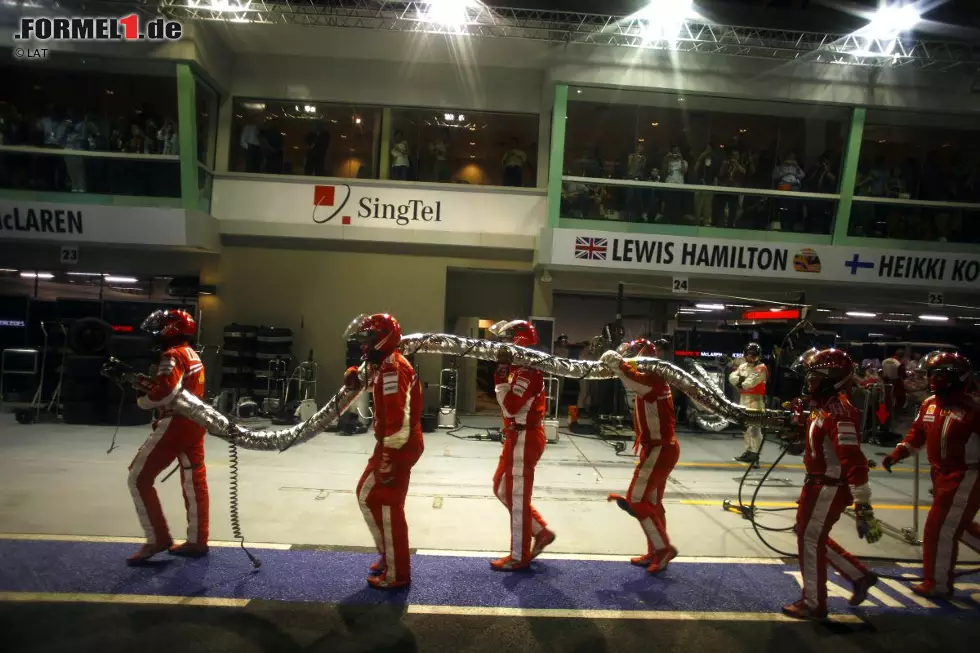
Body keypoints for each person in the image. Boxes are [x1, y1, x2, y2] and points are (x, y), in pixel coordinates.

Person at [783, 348, 882, 620]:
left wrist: (864, 506)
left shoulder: (839, 411)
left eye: (816, 376)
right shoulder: (824, 407)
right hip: (818, 484)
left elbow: (855, 461)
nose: (810, 382)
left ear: (833, 378)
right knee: (809, 536)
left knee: (809, 539)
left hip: (828, 486)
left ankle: (814, 603)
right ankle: (858, 575)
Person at [882, 352, 980, 598]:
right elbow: (917, 434)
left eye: (939, 375)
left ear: (956, 377)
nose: (933, 380)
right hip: (939, 475)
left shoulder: (974, 410)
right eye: (931, 374)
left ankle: (937, 583)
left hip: (966, 476)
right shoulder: (930, 403)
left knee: (939, 528)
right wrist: (897, 454)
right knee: (958, 526)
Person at [344, 313, 423, 590]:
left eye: (368, 339)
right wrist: (357, 377)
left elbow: (398, 418)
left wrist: (389, 456)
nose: (363, 345)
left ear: (382, 340)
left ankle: (397, 573)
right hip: (392, 442)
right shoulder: (384, 363)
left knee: (388, 505)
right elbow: (373, 381)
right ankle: (389, 555)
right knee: (367, 495)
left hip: (397, 444)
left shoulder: (393, 368)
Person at [127, 309, 209, 565]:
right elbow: (179, 388)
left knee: (138, 478)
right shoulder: (192, 354)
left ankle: (158, 538)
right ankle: (197, 540)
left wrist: (142, 400)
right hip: (196, 422)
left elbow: (165, 393)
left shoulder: (171, 356)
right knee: (194, 481)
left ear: (171, 328)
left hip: (175, 423)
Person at [601, 338, 679, 574]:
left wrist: (618, 363)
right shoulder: (654, 378)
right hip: (660, 448)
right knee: (652, 503)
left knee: (637, 500)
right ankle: (656, 551)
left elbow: (631, 379)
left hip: (659, 448)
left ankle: (663, 548)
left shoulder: (651, 379)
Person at [489, 319, 556, 570]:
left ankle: (519, 555)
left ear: (518, 342)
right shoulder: (521, 369)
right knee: (502, 488)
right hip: (517, 437)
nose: (501, 347)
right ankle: (540, 532)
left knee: (516, 496)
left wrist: (499, 379)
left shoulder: (528, 371)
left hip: (525, 438)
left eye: (506, 341)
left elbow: (512, 406)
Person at [730, 343, 768, 466]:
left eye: (754, 355)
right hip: (743, 399)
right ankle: (748, 451)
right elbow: (731, 377)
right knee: (745, 427)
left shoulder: (761, 368)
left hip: (756, 400)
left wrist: (741, 380)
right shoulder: (743, 366)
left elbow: (749, 383)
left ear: (758, 356)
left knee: (755, 429)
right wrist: (742, 380)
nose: (751, 357)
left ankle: (755, 455)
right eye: (749, 355)